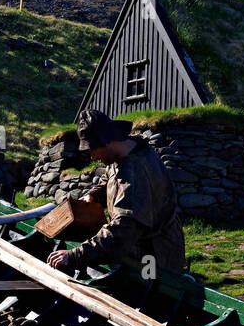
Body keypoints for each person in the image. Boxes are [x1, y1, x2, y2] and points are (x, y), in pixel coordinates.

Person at [46, 109, 187, 274]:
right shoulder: (123, 152)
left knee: (149, 296)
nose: (91, 156)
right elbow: (110, 178)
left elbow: (123, 230)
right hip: (140, 248)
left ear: (106, 142)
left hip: (154, 258)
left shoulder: (134, 175)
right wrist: (94, 194)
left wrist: (75, 255)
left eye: (92, 149)